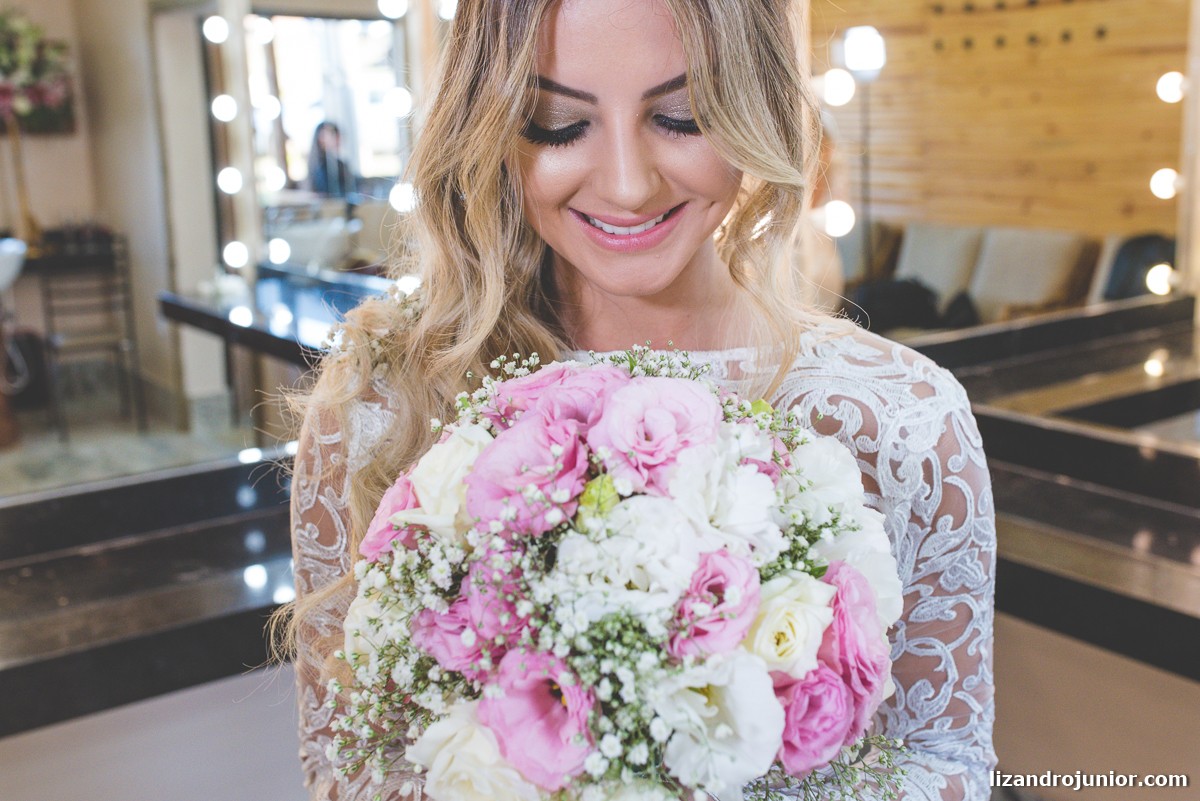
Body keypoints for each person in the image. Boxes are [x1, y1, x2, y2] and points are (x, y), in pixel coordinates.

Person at [281, 0, 996, 798]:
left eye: (683, 117)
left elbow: (946, 760)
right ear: (487, 126)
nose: (626, 184)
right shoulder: (381, 411)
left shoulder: (903, 420)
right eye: (558, 123)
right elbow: (343, 763)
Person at [305, 121, 357, 198]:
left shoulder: (340, 164)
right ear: (321, 138)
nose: (338, 138)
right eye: (333, 134)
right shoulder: (320, 168)